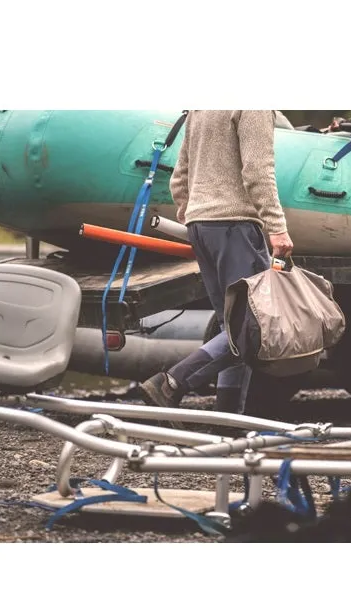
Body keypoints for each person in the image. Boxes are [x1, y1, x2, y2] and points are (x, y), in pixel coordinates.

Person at [138, 111, 294, 425]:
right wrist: (276, 227)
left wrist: (191, 211)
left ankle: (227, 423)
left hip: (202, 226)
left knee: (231, 326)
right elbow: (257, 170)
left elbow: (179, 173)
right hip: (234, 225)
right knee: (252, 328)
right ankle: (171, 383)